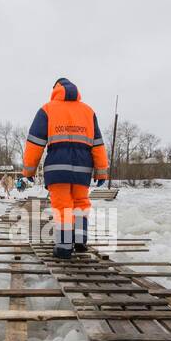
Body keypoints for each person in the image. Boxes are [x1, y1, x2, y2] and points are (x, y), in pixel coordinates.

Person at [21, 77, 109, 258]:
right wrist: (101, 171)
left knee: (63, 207)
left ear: (55, 89)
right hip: (83, 170)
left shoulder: (47, 110)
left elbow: (34, 143)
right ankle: (79, 241)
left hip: (57, 169)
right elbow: (98, 144)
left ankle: (63, 247)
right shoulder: (88, 111)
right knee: (80, 204)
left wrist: (29, 170)